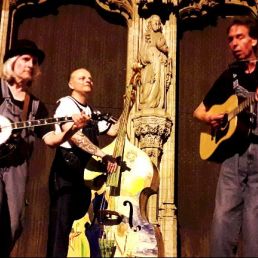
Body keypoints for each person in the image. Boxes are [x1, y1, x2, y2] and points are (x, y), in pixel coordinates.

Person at [0, 39, 88, 257]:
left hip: (16, 169)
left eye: (35, 61)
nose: (31, 64)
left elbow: (50, 139)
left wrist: (71, 129)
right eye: (26, 59)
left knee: (13, 223)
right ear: (12, 62)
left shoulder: (36, 106)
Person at [193, 16, 258, 257]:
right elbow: (198, 110)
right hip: (232, 156)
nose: (233, 43)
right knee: (222, 221)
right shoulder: (230, 76)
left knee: (255, 228)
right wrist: (209, 117)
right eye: (230, 39)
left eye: (239, 37)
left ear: (255, 39)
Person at [46, 68, 121, 257]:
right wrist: (102, 155)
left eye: (90, 78)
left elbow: (113, 131)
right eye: (82, 78)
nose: (88, 80)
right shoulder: (66, 105)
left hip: (84, 174)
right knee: (60, 228)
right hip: (66, 172)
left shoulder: (92, 111)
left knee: (78, 222)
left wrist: (130, 103)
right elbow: (75, 138)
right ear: (71, 84)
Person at [138, 14, 172, 110]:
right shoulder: (147, 35)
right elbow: (142, 51)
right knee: (149, 82)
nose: (157, 24)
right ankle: (147, 102)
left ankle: (156, 102)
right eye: (155, 22)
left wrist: (164, 53)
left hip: (159, 61)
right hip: (150, 62)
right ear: (150, 23)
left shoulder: (160, 35)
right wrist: (147, 57)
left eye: (158, 22)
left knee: (158, 81)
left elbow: (164, 47)